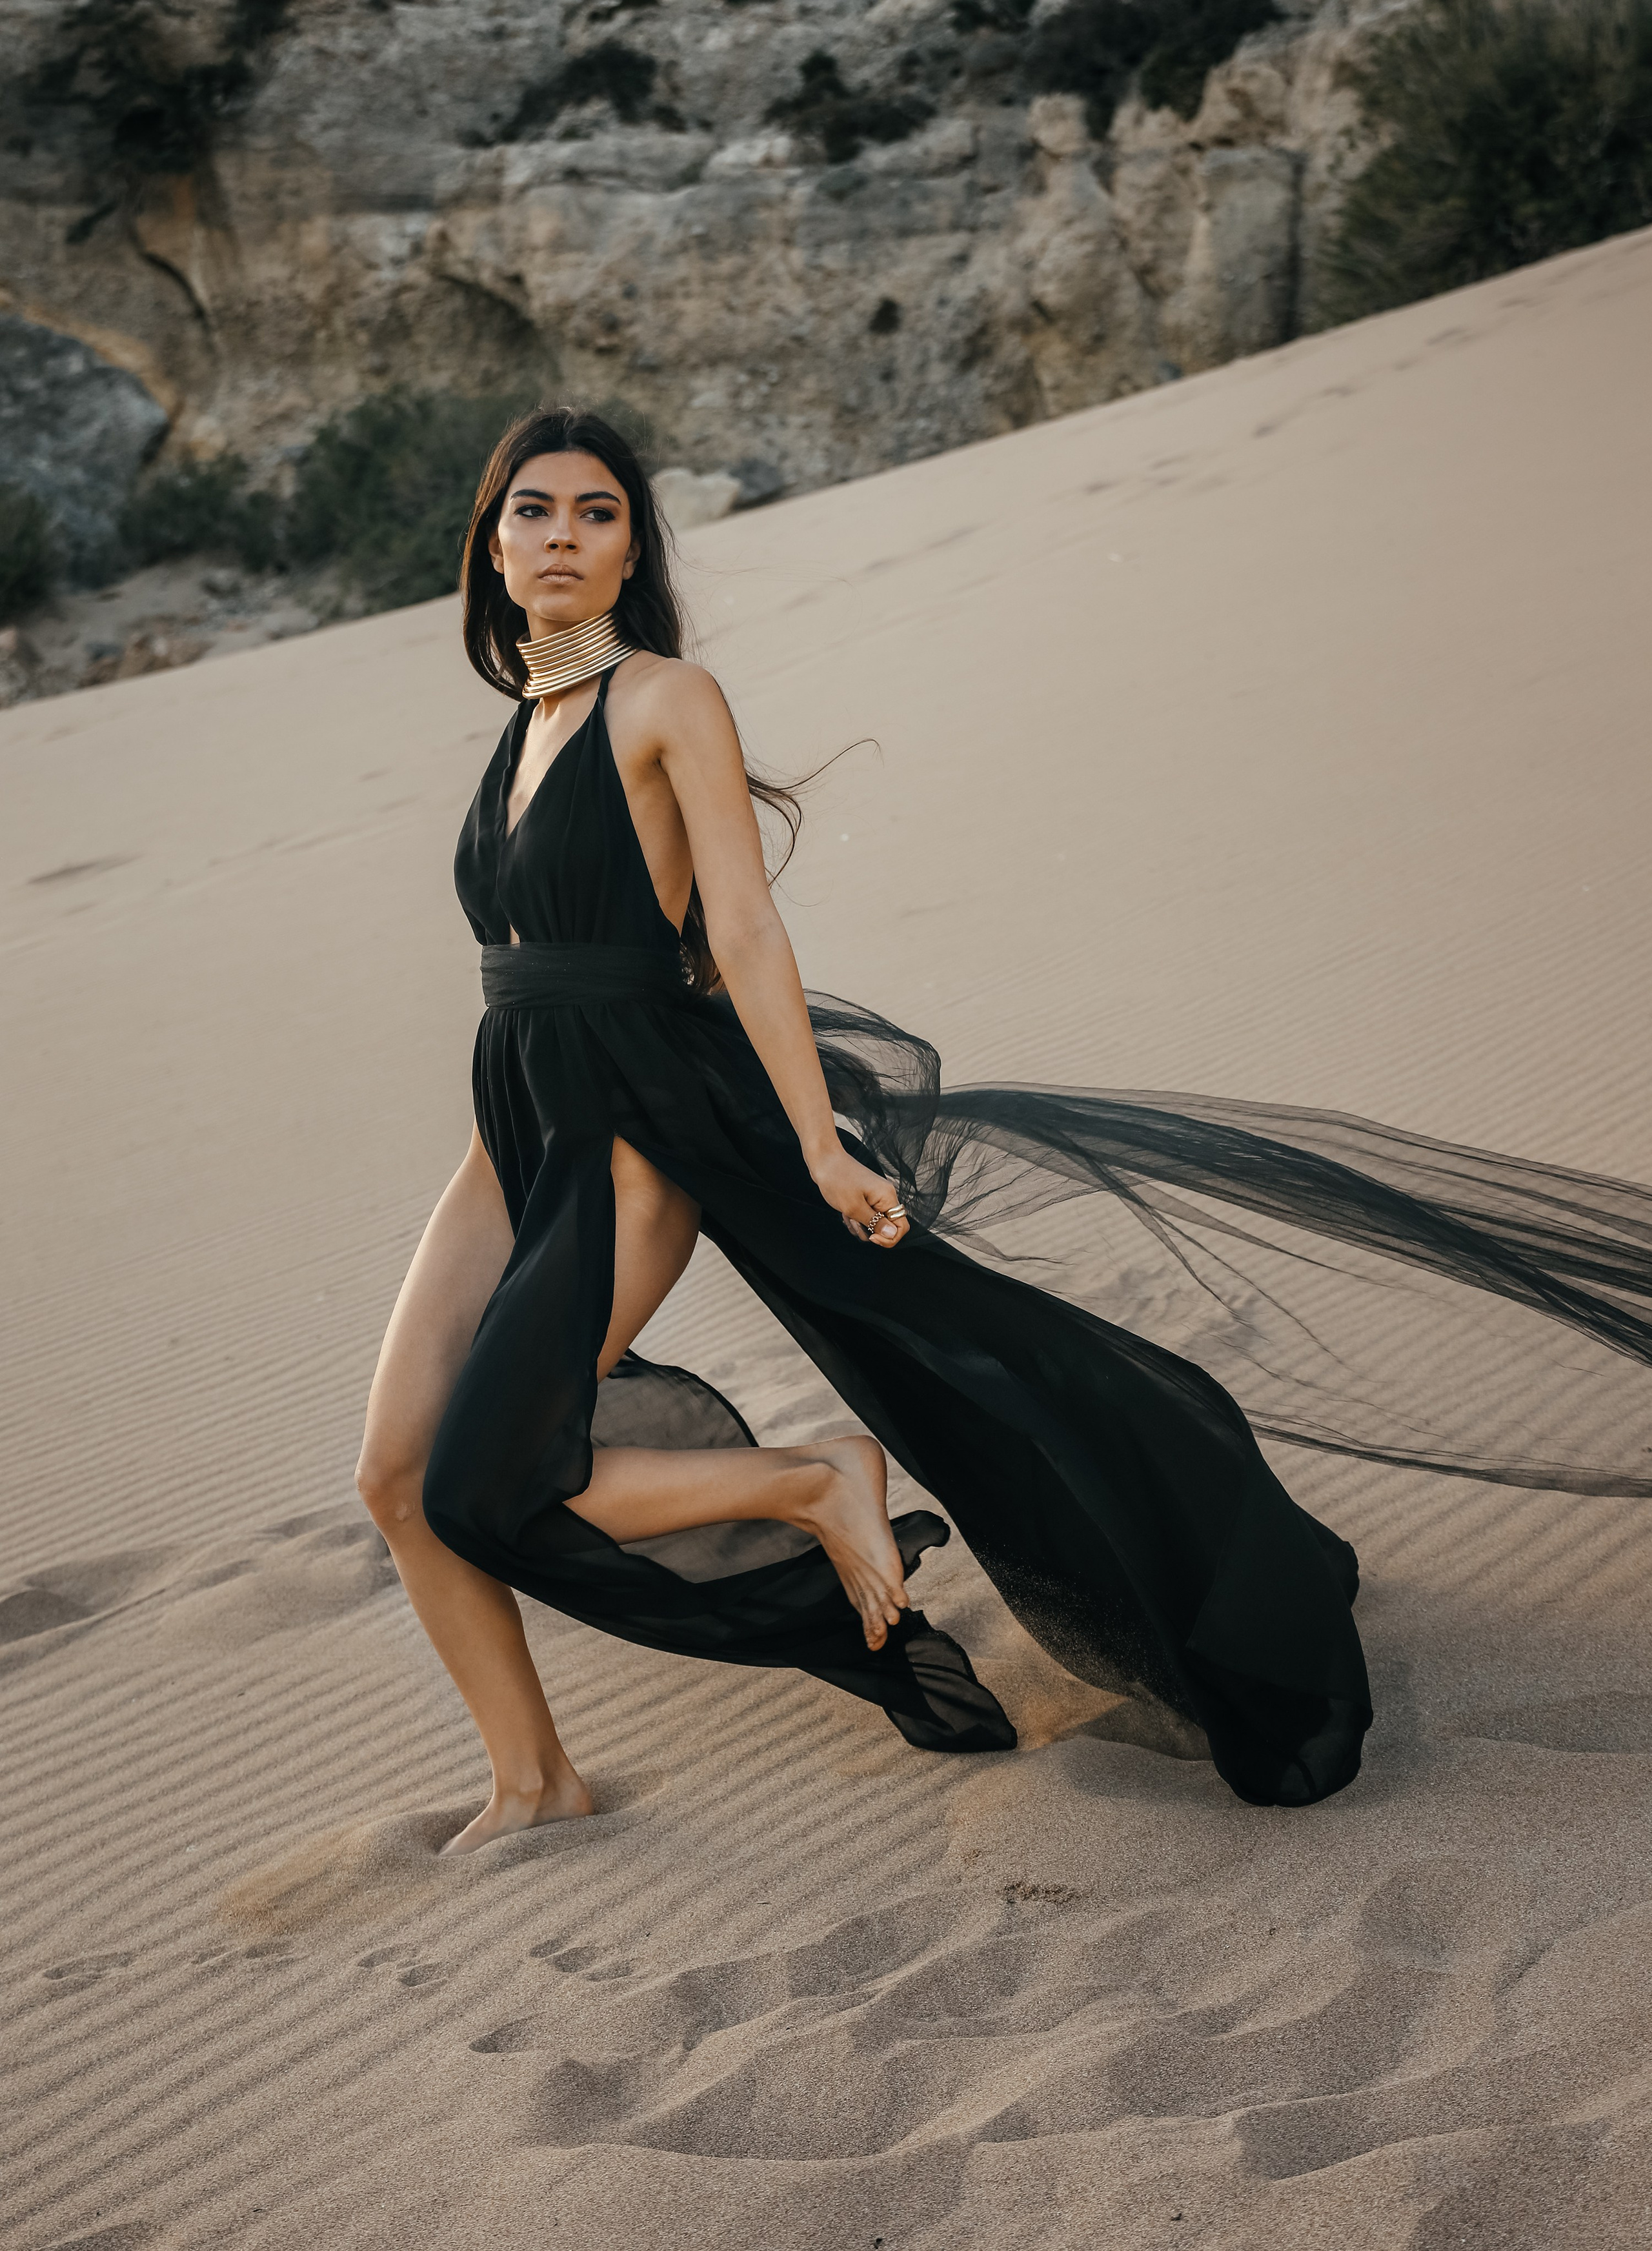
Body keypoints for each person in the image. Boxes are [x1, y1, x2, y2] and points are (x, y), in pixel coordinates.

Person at [356, 407, 1652, 1856]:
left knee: (495, 1478)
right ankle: (534, 1777)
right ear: (490, 538)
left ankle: (813, 1477)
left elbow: (743, 930)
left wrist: (821, 1144)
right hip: (508, 1123)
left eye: (597, 515)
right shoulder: (524, 722)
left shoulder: (663, 699)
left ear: (632, 549)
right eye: (532, 512)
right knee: (396, 1479)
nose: (560, 539)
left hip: (630, 1133)